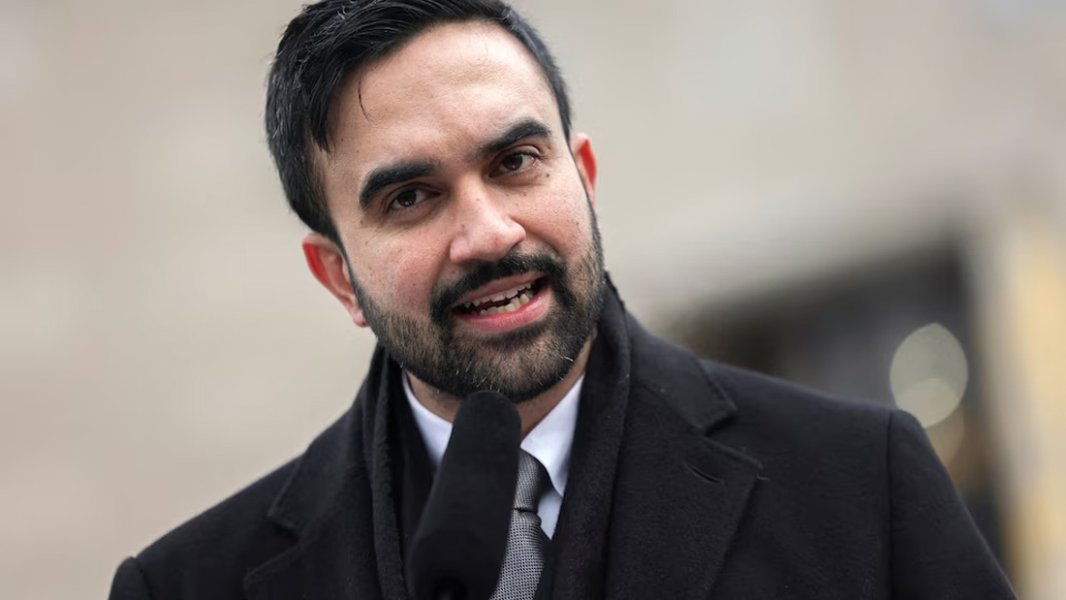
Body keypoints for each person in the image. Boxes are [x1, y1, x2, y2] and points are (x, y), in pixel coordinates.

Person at [109, 1, 1016, 598]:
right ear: (339, 275)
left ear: (582, 175)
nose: (488, 233)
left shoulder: (861, 484)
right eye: (411, 197)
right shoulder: (187, 588)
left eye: (515, 162)